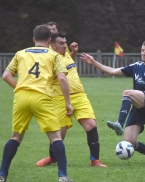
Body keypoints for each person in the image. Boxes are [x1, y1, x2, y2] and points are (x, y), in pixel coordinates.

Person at [0, 25, 75, 182]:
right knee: (55, 137)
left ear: (33, 39)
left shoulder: (21, 53)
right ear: (49, 40)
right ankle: (63, 176)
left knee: (16, 137)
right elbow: (62, 78)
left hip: (22, 97)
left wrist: (19, 87)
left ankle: (1, 175)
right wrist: (68, 102)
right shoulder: (53, 55)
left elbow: (6, 75)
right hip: (42, 97)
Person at [80, 40, 145, 162]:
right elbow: (112, 71)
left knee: (127, 93)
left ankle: (119, 123)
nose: (144, 53)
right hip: (138, 103)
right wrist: (93, 62)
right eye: (142, 50)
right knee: (130, 142)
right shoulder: (136, 66)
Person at [36, 32, 107, 168]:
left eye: (65, 43)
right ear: (52, 45)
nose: (64, 46)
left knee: (91, 125)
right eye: (61, 43)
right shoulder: (49, 58)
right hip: (60, 98)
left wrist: (73, 52)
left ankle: (95, 161)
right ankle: (52, 158)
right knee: (59, 135)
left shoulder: (65, 54)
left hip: (79, 96)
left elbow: (69, 62)